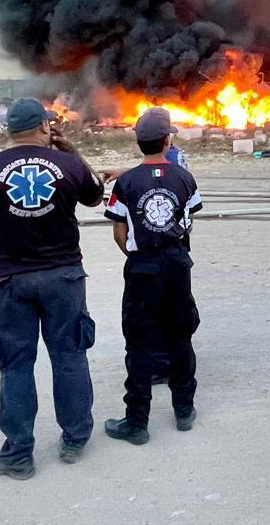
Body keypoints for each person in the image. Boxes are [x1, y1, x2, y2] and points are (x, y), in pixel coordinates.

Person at [0, 98, 104, 480]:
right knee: (69, 356)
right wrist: (71, 151)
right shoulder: (68, 164)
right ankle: (74, 440)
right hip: (63, 277)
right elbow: (94, 196)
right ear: (43, 127)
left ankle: (18, 454)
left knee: (15, 365)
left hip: (9, 280)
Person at [101, 108, 202, 445]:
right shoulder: (184, 178)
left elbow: (118, 233)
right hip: (177, 265)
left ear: (138, 142)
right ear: (168, 140)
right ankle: (184, 410)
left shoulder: (126, 183)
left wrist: (139, 256)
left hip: (143, 267)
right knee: (180, 335)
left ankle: (137, 422)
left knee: (140, 342)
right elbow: (189, 222)